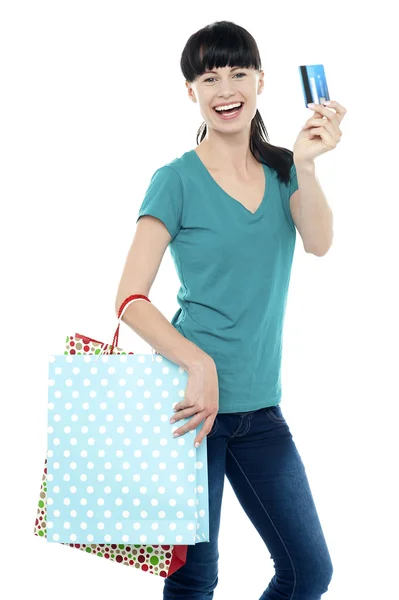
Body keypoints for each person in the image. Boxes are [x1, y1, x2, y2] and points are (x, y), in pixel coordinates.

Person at [115, 19, 336, 600]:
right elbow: (129, 300)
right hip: (190, 413)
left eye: (238, 73)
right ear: (191, 91)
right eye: (209, 77)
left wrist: (308, 166)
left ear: (261, 80)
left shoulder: (285, 170)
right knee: (194, 579)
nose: (225, 89)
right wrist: (200, 365)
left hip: (261, 409)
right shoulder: (175, 181)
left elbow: (318, 242)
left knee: (308, 572)